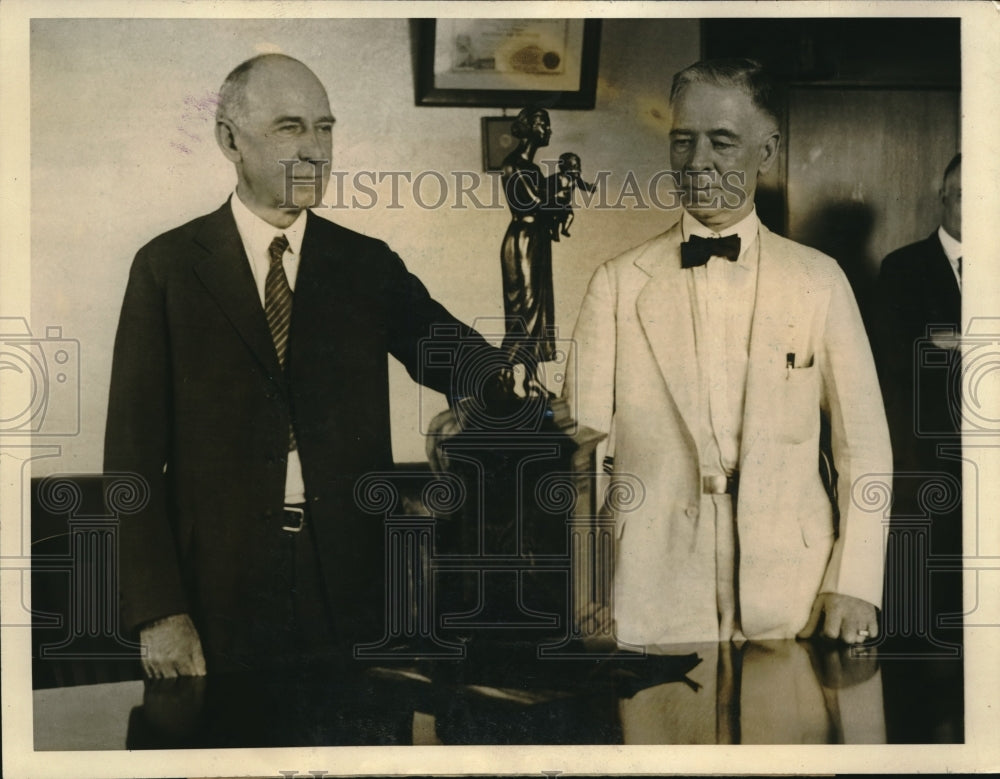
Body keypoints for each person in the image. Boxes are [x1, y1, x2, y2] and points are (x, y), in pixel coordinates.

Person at [105, 54, 503, 678]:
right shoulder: (167, 267)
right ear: (230, 140)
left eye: (325, 128)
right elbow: (129, 460)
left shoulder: (365, 265)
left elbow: (465, 362)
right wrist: (159, 613)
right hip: (215, 594)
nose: (316, 151)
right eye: (290, 128)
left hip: (353, 589)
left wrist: (501, 389)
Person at [565, 58, 892, 647]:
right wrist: (586, 596)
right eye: (682, 140)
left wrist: (854, 582)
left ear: (766, 152)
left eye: (721, 141)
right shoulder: (616, 284)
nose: (697, 162)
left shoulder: (819, 280)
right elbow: (578, 463)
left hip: (796, 589)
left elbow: (864, 449)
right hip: (648, 590)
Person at [873, 154, 962, 640]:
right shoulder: (903, 268)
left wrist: (956, 343)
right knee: (927, 613)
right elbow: (893, 361)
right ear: (943, 197)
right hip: (929, 465)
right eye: (965, 195)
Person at [499, 107, 557, 396]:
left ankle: (531, 380)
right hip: (523, 239)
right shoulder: (514, 165)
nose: (548, 129)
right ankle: (502, 372)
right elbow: (535, 203)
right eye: (543, 123)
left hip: (538, 238)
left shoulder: (533, 169)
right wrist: (558, 199)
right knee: (526, 309)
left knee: (539, 311)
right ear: (529, 127)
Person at [545, 152, 596, 242]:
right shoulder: (557, 178)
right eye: (575, 167)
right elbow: (546, 186)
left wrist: (590, 188)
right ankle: (555, 233)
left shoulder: (575, 179)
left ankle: (564, 229)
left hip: (565, 204)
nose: (578, 170)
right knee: (555, 217)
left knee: (570, 215)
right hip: (554, 202)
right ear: (566, 167)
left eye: (578, 167)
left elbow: (583, 185)